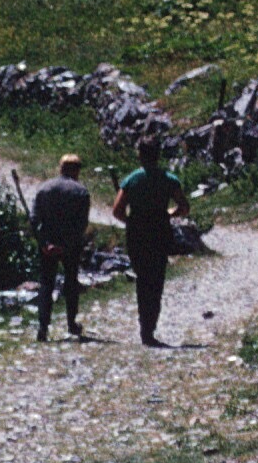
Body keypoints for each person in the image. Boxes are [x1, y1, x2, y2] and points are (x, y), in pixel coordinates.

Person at [110, 137, 191, 348]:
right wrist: (169, 213)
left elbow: (117, 210)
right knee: (156, 280)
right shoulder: (170, 179)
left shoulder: (131, 180)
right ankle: (150, 327)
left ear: (140, 154)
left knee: (142, 278)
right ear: (158, 154)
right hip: (160, 232)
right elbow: (184, 207)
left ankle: (143, 326)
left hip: (137, 234)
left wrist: (132, 221)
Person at [29, 152, 93, 340]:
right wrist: (67, 244)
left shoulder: (44, 189)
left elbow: (34, 219)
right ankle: (71, 324)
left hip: (47, 245)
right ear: (76, 170)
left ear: (61, 168)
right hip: (70, 246)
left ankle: (43, 327)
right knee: (71, 282)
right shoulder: (81, 192)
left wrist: (44, 243)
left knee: (46, 284)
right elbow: (82, 223)